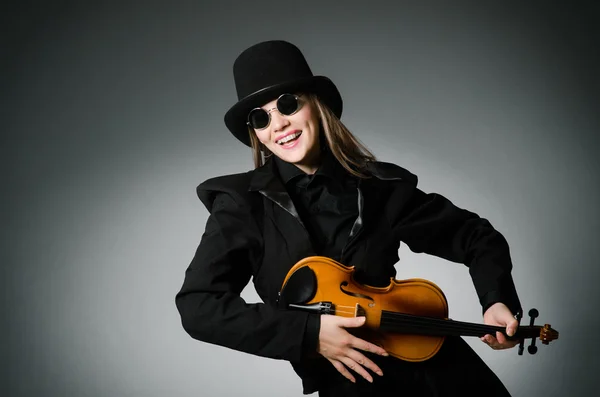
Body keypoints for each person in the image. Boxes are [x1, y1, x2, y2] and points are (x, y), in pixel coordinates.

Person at [175, 40, 522, 396]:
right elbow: (199, 306)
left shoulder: (378, 188)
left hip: (438, 369)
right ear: (257, 135)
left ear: (316, 105)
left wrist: (497, 299)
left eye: (288, 104)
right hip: (350, 385)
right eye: (261, 118)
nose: (278, 124)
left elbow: (475, 236)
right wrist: (309, 335)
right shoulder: (242, 206)